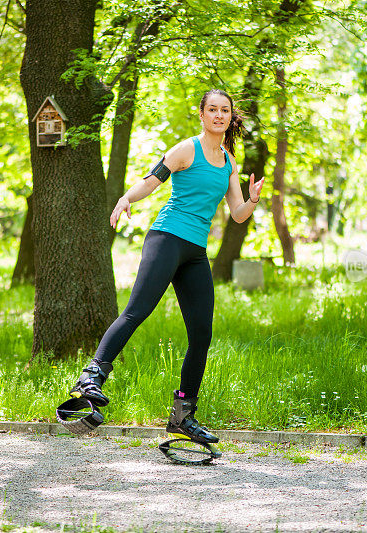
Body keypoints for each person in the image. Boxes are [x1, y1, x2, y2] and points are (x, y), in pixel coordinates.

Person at [70, 88, 264, 443]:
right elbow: (152, 180)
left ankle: (182, 414)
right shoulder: (186, 149)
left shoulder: (229, 161)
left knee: (202, 334)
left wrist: (251, 200)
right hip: (166, 238)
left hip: (195, 252)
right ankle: (91, 376)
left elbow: (237, 215)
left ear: (230, 116)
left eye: (225, 110)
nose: (219, 116)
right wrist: (126, 198)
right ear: (202, 115)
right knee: (137, 311)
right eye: (213, 110)